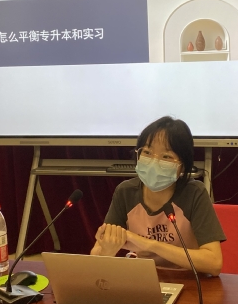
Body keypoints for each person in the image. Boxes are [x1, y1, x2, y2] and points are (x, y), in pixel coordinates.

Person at [90, 116, 225, 276]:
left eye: (166, 156)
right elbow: (96, 256)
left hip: (189, 280)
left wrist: (150, 245)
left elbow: (214, 263)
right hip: (144, 279)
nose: (154, 162)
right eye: (147, 152)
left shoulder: (194, 193)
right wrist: (107, 250)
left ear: (182, 166)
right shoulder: (125, 192)